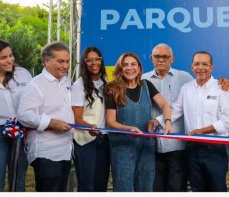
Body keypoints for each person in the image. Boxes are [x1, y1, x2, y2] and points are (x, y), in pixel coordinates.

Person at [155, 51, 229, 192]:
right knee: (197, 190)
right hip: (192, 150)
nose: (200, 67)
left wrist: (202, 132)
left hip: (215, 150)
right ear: (191, 67)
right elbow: (176, 110)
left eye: (205, 64)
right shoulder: (186, 88)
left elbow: (227, 121)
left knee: (217, 190)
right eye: (197, 64)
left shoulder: (222, 87)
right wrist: (157, 121)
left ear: (212, 67)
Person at [104, 52, 172, 192]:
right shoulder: (113, 89)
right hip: (122, 148)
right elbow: (110, 122)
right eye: (125, 65)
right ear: (120, 68)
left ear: (139, 68)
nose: (130, 68)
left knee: (146, 187)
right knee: (124, 188)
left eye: (133, 64)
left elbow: (165, 105)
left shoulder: (147, 85)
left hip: (146, 147)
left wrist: (167, 122)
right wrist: (129, 128)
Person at [18, 42, 74, 192]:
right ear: (47, 61)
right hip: (45, 152)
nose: (65, 66)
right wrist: (53, 123)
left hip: (66, 150)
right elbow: (24, 115)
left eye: (67, 61)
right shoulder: (35, 85)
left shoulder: (66, 82)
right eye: (60, 61)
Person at [142, 43, 193, 192]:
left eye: (165, 57)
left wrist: (223, 82)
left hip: (178, 145)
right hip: (152, 145)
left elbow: (204, 87)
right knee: (155, 188)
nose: (161, 60)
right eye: (157, 56)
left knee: (176, 188)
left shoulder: (184, 77)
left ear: (172, 59)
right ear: (151, 58)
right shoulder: (143, 79)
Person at [0, 39, 32, 192]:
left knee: (18, 182)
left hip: (21, 131)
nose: (10, 60)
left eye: (11, 55)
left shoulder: (23, 74)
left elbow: (33, 101)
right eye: (3, 57)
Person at [71, 47, 110, 191]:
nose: (94, 63)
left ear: (101, 61)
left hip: (104, 139)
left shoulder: (105, 83)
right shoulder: (78, 85)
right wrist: (90, 127)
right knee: (87, 185)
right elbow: (77, 118)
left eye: (97, 59)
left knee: (101, 184)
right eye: (89, 60)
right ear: (84, 63)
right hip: (85, 140)